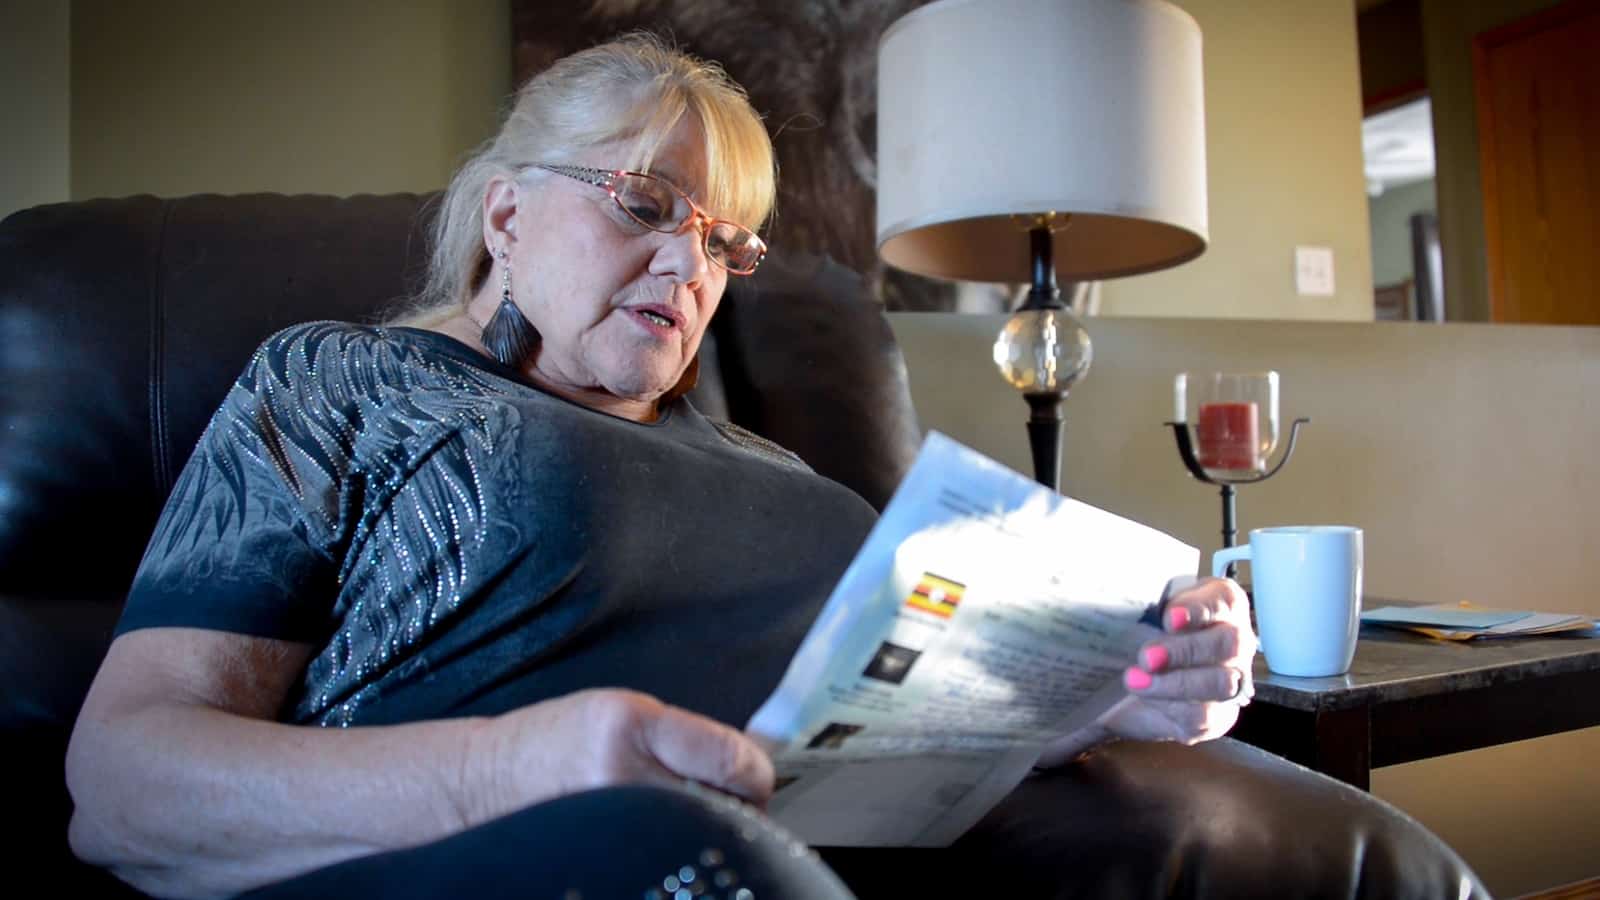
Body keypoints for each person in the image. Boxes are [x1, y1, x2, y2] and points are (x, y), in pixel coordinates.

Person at [63, 32, 1257, 900]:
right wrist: (524, 770)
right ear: (505, 217)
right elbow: (125, 787)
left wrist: (1097, 692)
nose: (687, 269)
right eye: (643, 200)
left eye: (723, 242)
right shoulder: (343, 384)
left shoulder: (767, 458)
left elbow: (876, 740)